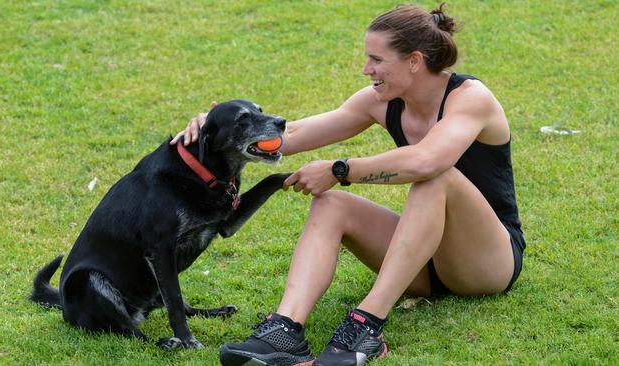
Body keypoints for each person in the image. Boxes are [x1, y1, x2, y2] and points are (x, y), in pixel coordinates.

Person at [171, 3, 525, 366]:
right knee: (331, 204)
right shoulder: (380, 101)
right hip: (424, 262)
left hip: (487, 262)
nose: (366, 69)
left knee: (435, 179)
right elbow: (295, 133)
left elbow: (427, 160)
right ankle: (284, 330)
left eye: (376, 59)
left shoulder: (471, 98)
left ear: (415, 61)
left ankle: (366, 325)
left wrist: (341, 169)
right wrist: (219, 126)